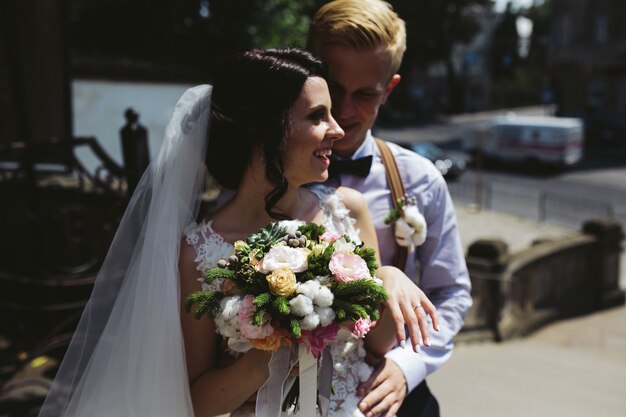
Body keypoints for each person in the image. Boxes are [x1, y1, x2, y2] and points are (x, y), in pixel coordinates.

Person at [37, 48, 437, 417]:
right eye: (317, 116)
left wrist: (387, 279)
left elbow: (376, 345)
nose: (336, 129)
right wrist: (270, 352)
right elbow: (196, 401)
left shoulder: (348, 208)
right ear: (266, 131)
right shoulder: (198, 251)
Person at [307, 1, 473, 417]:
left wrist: (406, 366)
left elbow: (451, 292)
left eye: (364, 95)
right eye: (333, 87)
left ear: (389, 89)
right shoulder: (264, 177)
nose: (344, 112)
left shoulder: (420, 180)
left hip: (386, 395)